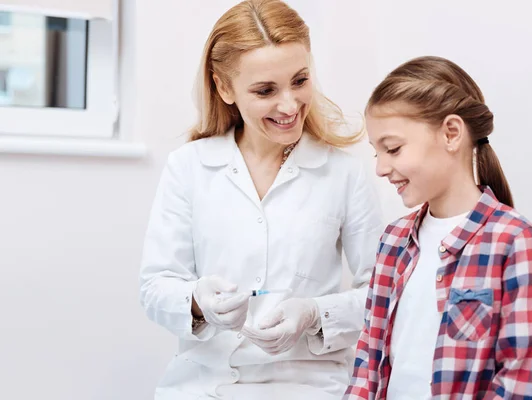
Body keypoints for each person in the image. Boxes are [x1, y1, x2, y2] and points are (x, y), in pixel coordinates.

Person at [139, 1, 382, 399]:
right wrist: (199, 301)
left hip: (310, 385)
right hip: (204, 383)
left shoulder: (344, 173)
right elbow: (155, 286)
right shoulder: (189, 166)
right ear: (224, 87)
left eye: (300, 80)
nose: (289, 105)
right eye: (265, 90)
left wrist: (313, 314)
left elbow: (380, 293)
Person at [345, 56, 532, 399]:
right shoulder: (393, 240)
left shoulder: (514, 241)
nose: (381, 168)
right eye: (376, 153)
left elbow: (520, 381)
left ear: (451, 133)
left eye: (393, 148)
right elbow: (368, 360)